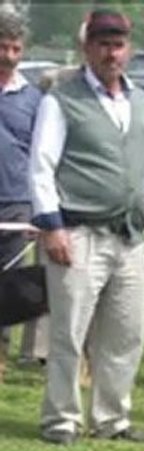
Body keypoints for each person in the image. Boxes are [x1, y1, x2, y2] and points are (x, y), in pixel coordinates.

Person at [29, 8, 144, 445]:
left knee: (125, 334)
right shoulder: (61, 99)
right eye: (103, 44)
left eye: (119, 44)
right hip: (78, 233)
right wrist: (52, 227)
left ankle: (113, 419)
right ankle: (62, 420)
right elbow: (41, 166)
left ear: (128, 49)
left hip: (129, 236)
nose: (112, 53)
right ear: (87, 47)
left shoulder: (141, 102)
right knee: (69, 333)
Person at [0, 10, 42, 379]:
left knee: (8, 286)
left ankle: (0, 355)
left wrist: (36, 209)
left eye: (16, 48)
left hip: (15, 203)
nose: (10, 55)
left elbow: (40, 154)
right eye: (3, 47)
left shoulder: (33, 98)